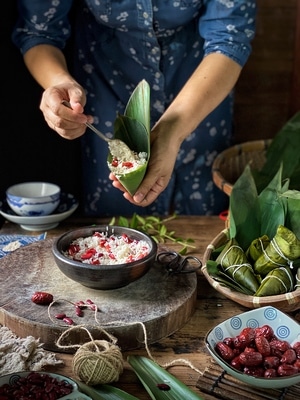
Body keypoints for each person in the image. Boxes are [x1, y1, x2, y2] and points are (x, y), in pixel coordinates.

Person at [12, 0, 256, 217]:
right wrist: (59, 83)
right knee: (115, 235)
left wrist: (171, 132)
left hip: (200, 92)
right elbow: (39, 31)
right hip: (106, 93)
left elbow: (230, 38)